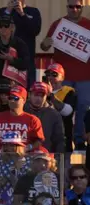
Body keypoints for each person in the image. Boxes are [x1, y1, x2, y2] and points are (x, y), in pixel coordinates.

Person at [42, 0, 90, 150]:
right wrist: (46, 42)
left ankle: (79, 140)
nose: (74, 9)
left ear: (82, 8)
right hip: (62, 77)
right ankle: (62, 140)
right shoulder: (58, 24)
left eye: (78, 7)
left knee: (83, 108)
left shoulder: (88, 25)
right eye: (71, 6)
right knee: (62, 110)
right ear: (67, 7)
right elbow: (44, 46)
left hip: (85, 76)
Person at [0, 0, 42, 86]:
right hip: (4, 61)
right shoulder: (2, 11)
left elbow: (35, 30)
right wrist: (7, 12)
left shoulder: (33, 11)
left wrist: (22, 14)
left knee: (26, 91)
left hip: (25, 60)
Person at [0, 86, 44, 150]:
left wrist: (28, 148)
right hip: (2, 156)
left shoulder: (33, 120)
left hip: (24, 156)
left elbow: (39, 141)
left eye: (16, 98)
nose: (12, 101)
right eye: (10, 98)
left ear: (24, 100)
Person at [0, 13, 29, 84]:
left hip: (14, 82)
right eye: (0, 26)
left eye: (6, 25)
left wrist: (11, 59)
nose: (3, 28)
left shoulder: (20, 44)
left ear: (12, 28)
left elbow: (26, 64)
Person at [25, 82, 65, 153]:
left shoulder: (54, 114)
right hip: (23, 156)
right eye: (36, 95)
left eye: (42, 96)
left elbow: (59, 140)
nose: (38, 99)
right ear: (29, 94)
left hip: (46, 157)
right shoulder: (21, 110)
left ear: (46, 97)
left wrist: (58, 160)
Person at [45, 63, 76, 152]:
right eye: (48, 74)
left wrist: (52, 97)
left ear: (62, 78)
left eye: (54, 74)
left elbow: (68, 112)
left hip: (63, 135)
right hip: (46, 136)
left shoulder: (69, 92)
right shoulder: (40, 91)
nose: (50, 77)